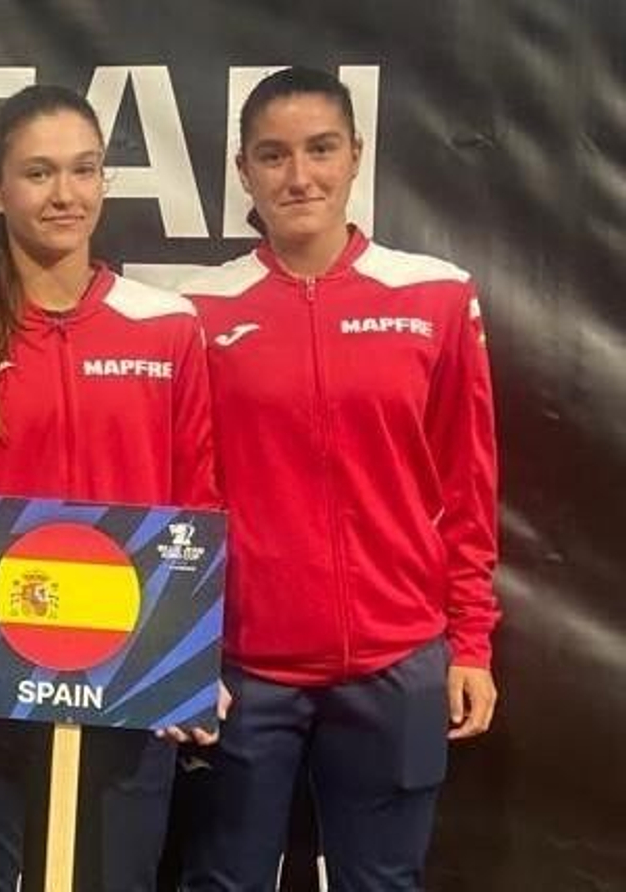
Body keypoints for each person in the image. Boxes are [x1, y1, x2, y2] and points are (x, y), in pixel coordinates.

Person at [0, 84, 219, 891]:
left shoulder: (168, 327)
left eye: (83, 170)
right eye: (38, 173)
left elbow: (196, 504)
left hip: (130, 679)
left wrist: (189, 657)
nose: (64, 194)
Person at [179, 66, 500, 891]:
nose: (300, 176)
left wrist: (469, 641)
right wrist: (182, 653)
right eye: (274, 155)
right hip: (245, 669)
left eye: (321, 149)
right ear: (244, 171)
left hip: (398, 660)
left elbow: (467, 484)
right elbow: (185, 495)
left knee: (383, 883)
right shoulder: (199, 311)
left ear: (357, 155)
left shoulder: (435, 296)